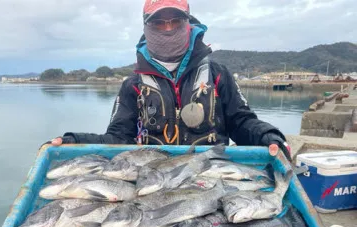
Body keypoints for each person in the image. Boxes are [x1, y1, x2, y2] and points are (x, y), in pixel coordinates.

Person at [50, 0, 291, 160]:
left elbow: (241, 122)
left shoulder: (218, 74)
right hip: (154, 178)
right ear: (146, 27)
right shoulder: (132, 85)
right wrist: (75, 141)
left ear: (188, 23)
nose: (167, 29)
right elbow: (118, 139)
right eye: (159, 22)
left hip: (211, 174)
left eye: (175, 21)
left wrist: (268, 135)